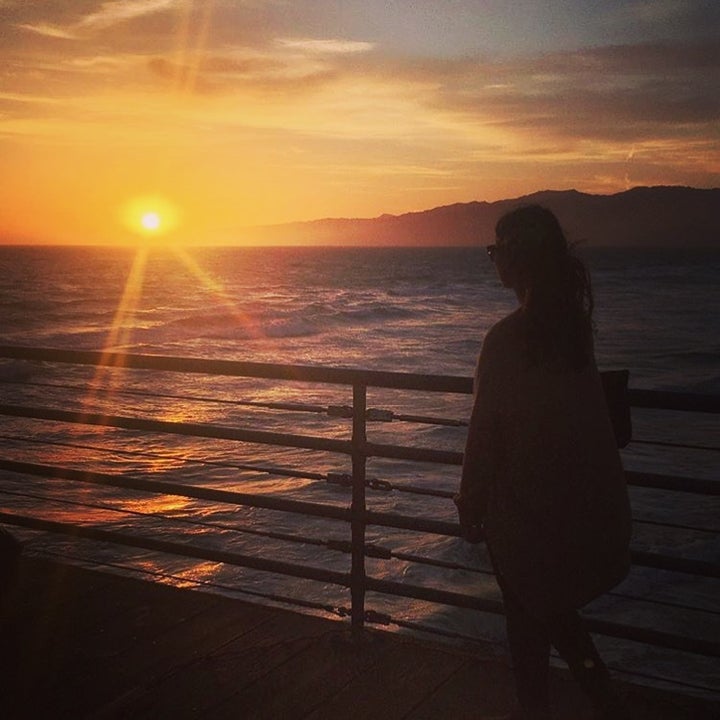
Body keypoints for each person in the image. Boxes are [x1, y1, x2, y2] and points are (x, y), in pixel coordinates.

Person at [455, 205, 632, 720]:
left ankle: (552, 708)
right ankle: (604, 702)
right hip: (578, 508)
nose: (491, 260)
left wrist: (470, 502)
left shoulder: (506, 341)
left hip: (528, 517)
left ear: (516, 259)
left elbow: (485, 432)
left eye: (496, 249)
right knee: (553, 615)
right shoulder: (572, 331)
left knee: (529, 623)